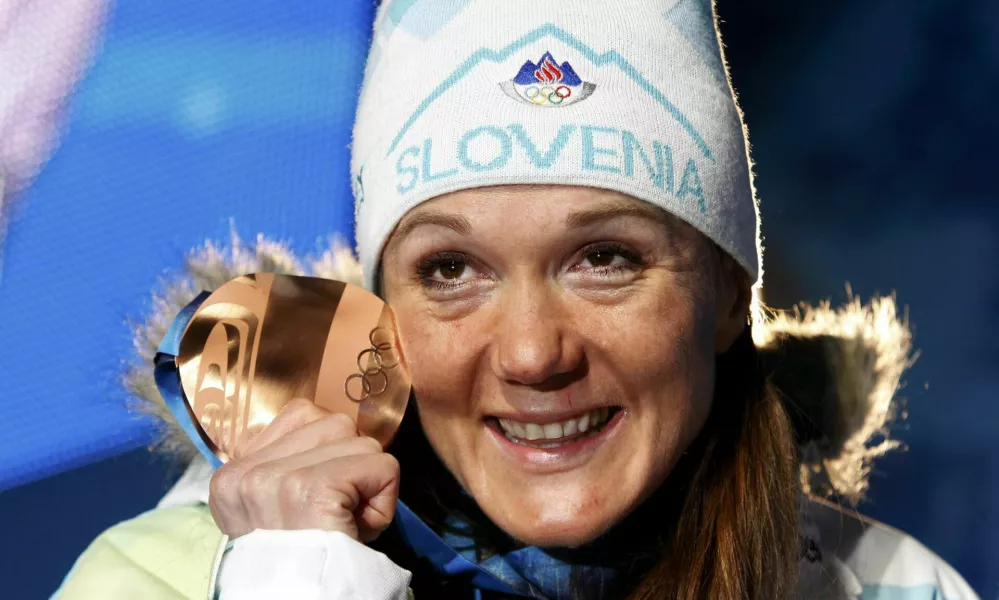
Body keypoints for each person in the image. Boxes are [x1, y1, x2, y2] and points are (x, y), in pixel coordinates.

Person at [55, 1, 980, 598]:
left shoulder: (896, 590)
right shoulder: (157, 581)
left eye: (605, 257)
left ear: (729, 289)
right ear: (380, 310)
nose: (534, 354)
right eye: (451, 271)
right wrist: (302, 581)